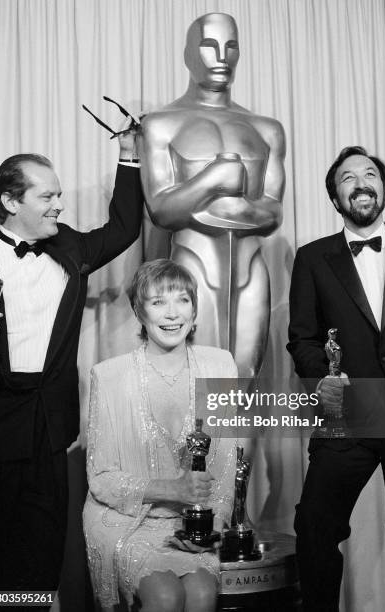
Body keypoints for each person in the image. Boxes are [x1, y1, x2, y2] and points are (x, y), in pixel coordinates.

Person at [0, 120, 143, 598]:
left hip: (51, 427)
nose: (60, 204)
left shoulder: (69, 247)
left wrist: (129, 155)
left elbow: (124, 227)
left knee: (42, 548)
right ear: (11, 202)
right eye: (47, 197)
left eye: (59, 196)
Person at [287, 146, 385, 611]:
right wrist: (322, 379)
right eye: (348, 178)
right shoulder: (313, 258)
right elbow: (303, 338)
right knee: (315, 527)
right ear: (335, 198)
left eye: (370, 174)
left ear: (383, 187)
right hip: (348, 416)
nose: (361, 182)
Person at [83, 258, 238, 612]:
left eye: (182, 300)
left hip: (195, 521)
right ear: (140, 312)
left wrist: (206, 527)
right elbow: (102, 479)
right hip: (126, 521)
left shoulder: (220, 366)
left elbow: (227, 464)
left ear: (195, 309)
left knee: (200, 594)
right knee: (166, 597)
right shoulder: (109, 376)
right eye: (158, 302)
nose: (172, 314)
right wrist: (171, 489)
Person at [140, 12, 286, 377]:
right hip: (192, 265)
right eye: (209, 45)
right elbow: (161, 210)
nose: (221, 56)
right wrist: (213, 180)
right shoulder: (161, 124)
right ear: (189, 55)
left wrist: (200, 206)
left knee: (245, 381)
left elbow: (272, 214)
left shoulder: (266, 129)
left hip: (252, 269)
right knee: (197, 387)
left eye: (231, 46)